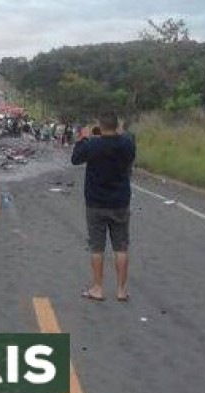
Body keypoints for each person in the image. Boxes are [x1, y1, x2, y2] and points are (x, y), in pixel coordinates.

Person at [72, 113, 136, 303]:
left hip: (96, 203)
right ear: (117, 126)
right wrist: (120, 132)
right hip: (120, 202)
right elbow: (129, 145)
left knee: (97, 248)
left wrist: (83, 138)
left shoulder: (92, 145)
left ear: (100, 126)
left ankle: (98, 288)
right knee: (121, 247)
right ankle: (122, 290)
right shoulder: (127, 144)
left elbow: (75, 159)